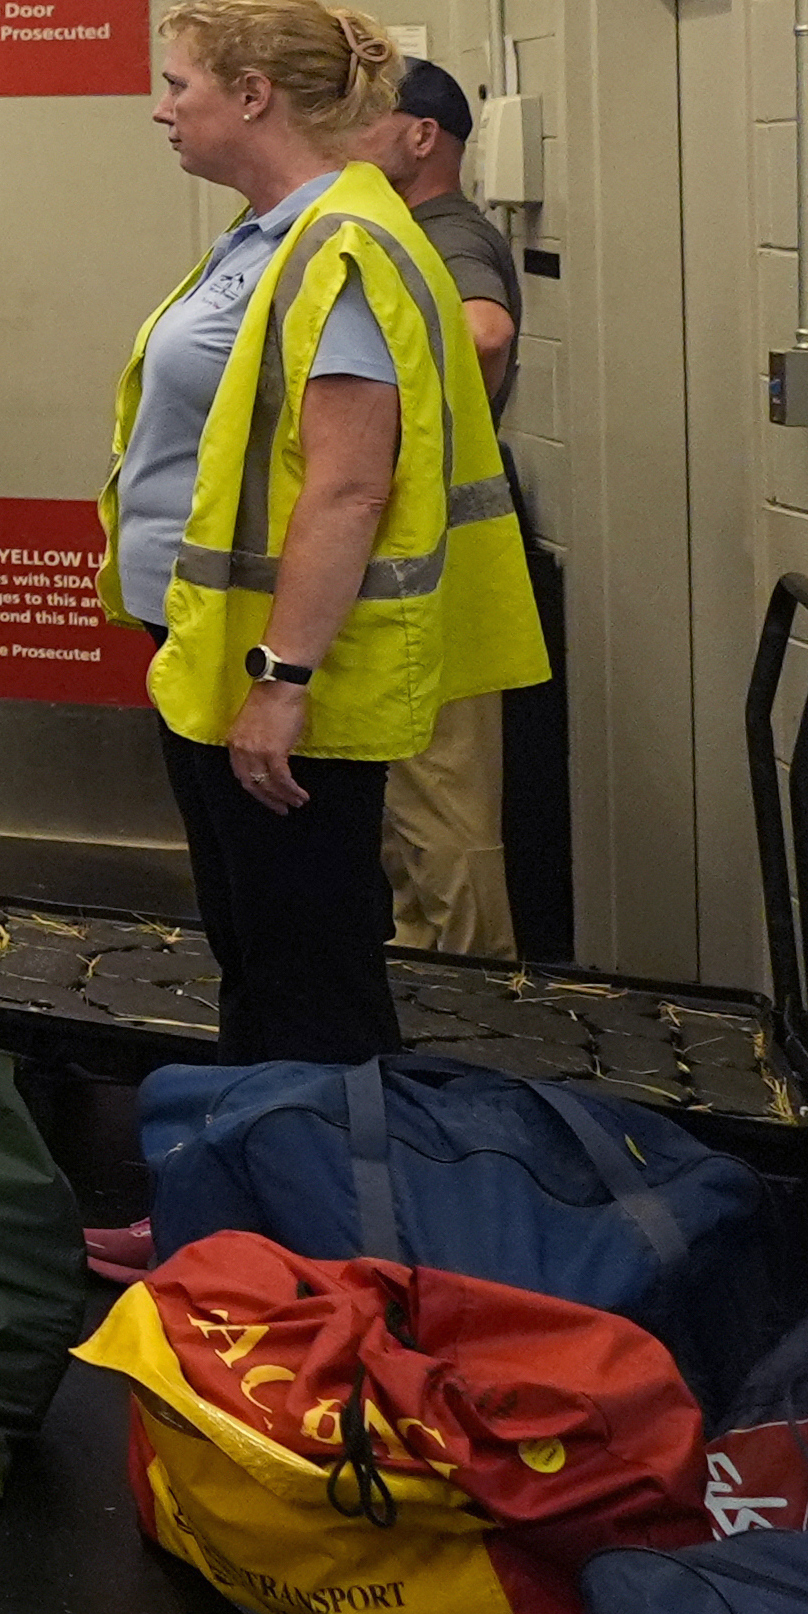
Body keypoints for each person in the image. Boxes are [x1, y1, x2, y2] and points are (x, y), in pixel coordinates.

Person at [99, 0, 543, 1066]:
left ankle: (316, 1221)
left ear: (251, 96)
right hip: (213, 641)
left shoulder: (337, 249)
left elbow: (346, 488)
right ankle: (247, 1210)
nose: (161, 110)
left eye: (178, 84)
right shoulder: (264, 237)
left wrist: (279, 678)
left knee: (306, 968)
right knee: (252, 947)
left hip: (281, 665)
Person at [369, 58, 525, 958]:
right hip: (414, 559)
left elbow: (484, 332)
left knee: (445, 816)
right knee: (410, 816)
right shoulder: (403, 227)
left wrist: (372, 407)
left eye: (367, 119)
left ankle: (475, 1031)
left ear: (421, 136)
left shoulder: (445, 229)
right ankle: (423, 1011)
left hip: (443, 563)